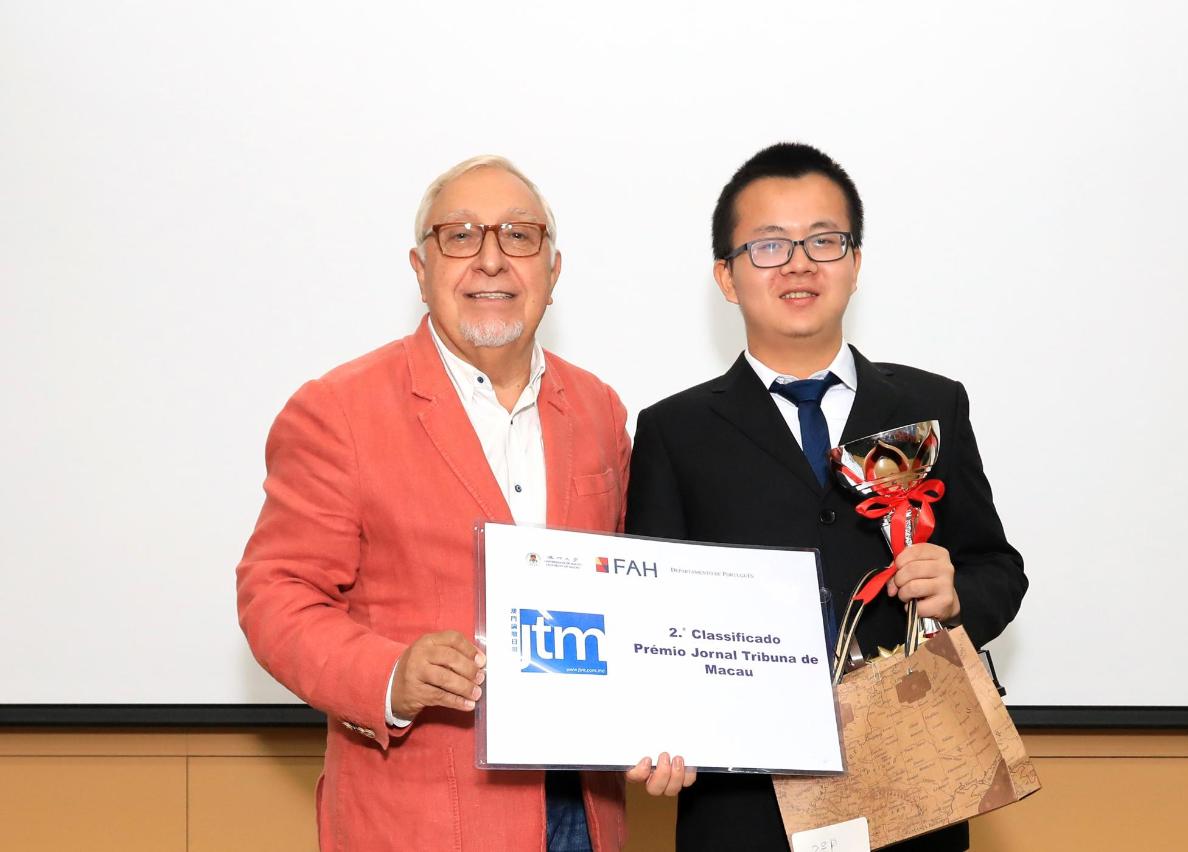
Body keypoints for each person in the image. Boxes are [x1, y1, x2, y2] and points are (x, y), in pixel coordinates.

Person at [237, 155, 688, 852]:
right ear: (420, 269)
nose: (492, 260)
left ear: (553, 271)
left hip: (585, 812)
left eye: (519, 235)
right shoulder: (339, 411)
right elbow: (276, 594)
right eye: (460, 236)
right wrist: (391, 675)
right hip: (418, 822)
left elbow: (635, 597)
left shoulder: (598, 408)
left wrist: (668, 716)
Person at [624, 142, 1028, 851]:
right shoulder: (673, 431)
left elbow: (998, 568)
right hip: (744, 808)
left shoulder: (932, 404)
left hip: (916, 789)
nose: (799, 263)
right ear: (726, 276)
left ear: (856, 263)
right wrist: (654, 725)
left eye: (823, 240)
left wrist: (957, 591)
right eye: (769, 245)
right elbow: (649, 616)